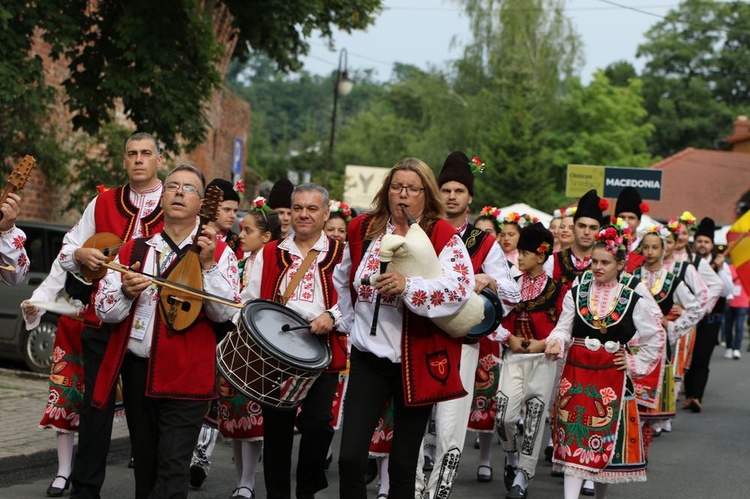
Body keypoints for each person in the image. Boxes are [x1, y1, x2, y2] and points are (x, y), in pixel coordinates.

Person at [93, 163, 241, 499]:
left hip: (186, 375)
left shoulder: (220, 253)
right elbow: (106, 310)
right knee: (145, 469)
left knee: (173, 469)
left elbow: (224, 313)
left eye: (189, 188)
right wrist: (125, 292)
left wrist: (207, 267)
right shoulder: (134, 248)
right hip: (138, 373)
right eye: (172, 185)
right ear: (162, 197)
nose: (178, 192)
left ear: (204, 203)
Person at [335, 157, 474, 499]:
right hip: (369, 359)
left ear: (426, 195)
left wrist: (408, 286)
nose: (403, 195)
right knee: (350, 457)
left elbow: (459, 289)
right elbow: (342, 281)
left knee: (402, 463)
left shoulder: (443, 235)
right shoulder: (362, 229)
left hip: (417, 359)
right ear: (386, 192)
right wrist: (350, 325)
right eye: (397, 187)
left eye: (413, 189)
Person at [63, 132, 164, 499]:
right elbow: (69, 246)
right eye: (132, 153)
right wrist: (79, 256)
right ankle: (85, 491)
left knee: (144, 416)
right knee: (95, 409)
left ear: (158, 160)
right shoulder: (103, 201)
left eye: (146, 153)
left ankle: (148, 493)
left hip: (148, 327)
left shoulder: (173, 203)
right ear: (124, 161)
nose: (138, 159)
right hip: (103, 321)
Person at [415, 151, 519, 498]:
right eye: (445, 189)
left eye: (459, 190)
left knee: (451, 426)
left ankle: (438, 492)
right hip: (417, 338)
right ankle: (410, 488)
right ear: (436, 192)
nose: (451, 196)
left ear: (470, 197)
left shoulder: (482, 241)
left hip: (463, 343)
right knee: (413, 419)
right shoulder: (421, 232)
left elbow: (511, 292)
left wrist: (485, 277)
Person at [545, 223, 665, 499]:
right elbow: (564, 327)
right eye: (594, 261)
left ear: (620, 264)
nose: (597, 267)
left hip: (612, 377)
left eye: (604, 262)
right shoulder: (577, 292)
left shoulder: (632, 297)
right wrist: (556, 340)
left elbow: (654, 336)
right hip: (576, 374)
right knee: (574, 440)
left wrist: (633, 362)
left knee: (604, 447)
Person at [243, 183, 347, 499]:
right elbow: (249, 299)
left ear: (326, 213)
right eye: (298, 207)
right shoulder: (270, 253)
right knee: (277, 431)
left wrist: (331, 315)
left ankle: (307, 489)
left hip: (323, 352)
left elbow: (355, 302)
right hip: (278, 354)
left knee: (318, 425)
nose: (303, 214)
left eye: (312, 208)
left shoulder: (342, 254)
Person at [217, 198, 281, 499]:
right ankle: (240, 478)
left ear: (266, 237)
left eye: (248, 230)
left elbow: (255, 300)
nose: (241, 235)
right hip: (237, 339)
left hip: (255, 343)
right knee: (235, 412)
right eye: (241, 230)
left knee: (252, 414)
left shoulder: (268, 260)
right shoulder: (241, 260)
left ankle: (248, 481)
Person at [496, 222, 564, 499]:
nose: (518, 256)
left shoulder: (559, 290)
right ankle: (511, 457)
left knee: (536, 418)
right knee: (504, 416)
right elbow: (492, 319)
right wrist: (507, 338)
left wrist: (546, 343)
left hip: (543, 361)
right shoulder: (510, 285)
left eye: (524, 252)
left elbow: (564, 327)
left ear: (541, 255)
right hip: (513, 357)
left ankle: (523, 475)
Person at [189, 177, 243, 489]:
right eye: (225, 208)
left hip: (218, 329)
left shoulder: (227, 249)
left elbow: (229, 298)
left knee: (210, 397)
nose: (231, 215)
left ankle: (200, 457)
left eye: (235, 210)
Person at [21, 259, 86, 498]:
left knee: (101, 403)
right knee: (63, 400)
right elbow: (51, 286)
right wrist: (35, 306)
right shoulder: (72, 246)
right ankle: (63, 470)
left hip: (105, 331)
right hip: (69, 334)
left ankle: (88, 470)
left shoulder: (124, 238)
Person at [632, 224, 701, 444]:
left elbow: (695, 307)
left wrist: (673, 328)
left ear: (664, 250)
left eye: (655, 247)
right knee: (632, 397)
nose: (650, 252)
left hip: (661, 347)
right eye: (646, 247)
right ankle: (630, 445)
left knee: (653, 401)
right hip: (633, 343)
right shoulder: (631, 277)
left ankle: (644, 444)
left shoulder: (672, 280)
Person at [682, 217, 733, 412]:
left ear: (712, 245)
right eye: (700, 241)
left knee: (702, 357)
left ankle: (696, 396)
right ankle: (687, 395)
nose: (702, 245)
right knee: (688, 357)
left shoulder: (722, 266)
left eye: (706, 242)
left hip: (711, 320)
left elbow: (727, 291)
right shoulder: (689, 262)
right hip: (689, 317)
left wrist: (719, 269)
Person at [544, 190, 607, 289]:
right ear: (573, 228)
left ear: (599, 231)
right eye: (582, 226)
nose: (586, 232)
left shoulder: (606, 263)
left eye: (593, 228)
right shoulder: (553, 260)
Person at [613, 186, 650, 272]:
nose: (626, 222)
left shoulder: (646, 247)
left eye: (631, 218)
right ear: (615, 220)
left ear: (639, 222)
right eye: (622, 217)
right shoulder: (608, 245)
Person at [724, 261, 748, 359]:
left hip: (743, 303)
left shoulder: (747, 268)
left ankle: (737, 349)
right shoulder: (729, 267)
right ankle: (729, 347)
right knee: (728, 328)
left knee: (739, 327)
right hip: (730, 302)